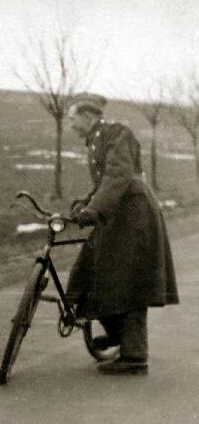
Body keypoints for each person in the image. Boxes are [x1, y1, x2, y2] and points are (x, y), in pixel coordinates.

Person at [65, 92, 178, 375]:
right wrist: (86, 203)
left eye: (73, 119)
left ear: (88, 116)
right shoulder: (97, 139)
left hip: (134, 214)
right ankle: (117, 334)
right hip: (117, 213)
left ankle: (135, 357)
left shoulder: (117, 134)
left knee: (131, 280)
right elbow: (106, 181)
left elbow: (118, 175)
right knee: (91, 271)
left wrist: (95, 209)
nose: (71, 126)